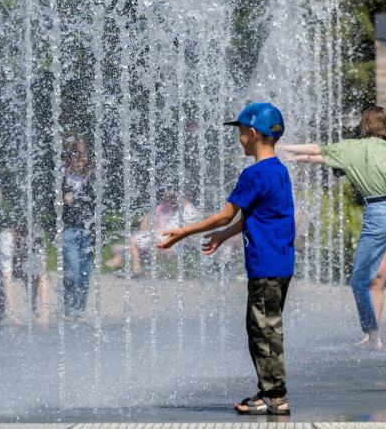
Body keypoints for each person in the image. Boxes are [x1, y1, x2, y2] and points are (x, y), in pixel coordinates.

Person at [157, 102, 294, 416]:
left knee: (263, 331)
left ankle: (273, 396)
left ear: (253, 133)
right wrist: (225, 235)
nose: (239, 139)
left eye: (241, 132)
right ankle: (272, 392)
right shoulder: (279, 171)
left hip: (264, 265)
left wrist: (183, 232)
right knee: (266, 328)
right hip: (281, 264)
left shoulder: (254, 173)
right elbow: (259, 215)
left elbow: (224, 214)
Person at [279, 105, 386, 351]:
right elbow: (318, 156)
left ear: (366, 125)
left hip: (379, 214)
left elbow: (317, 150)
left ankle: (372, 335)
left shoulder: (355, 147)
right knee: (378, 278)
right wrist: (296, 158)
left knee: (360, 280)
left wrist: (283, 147)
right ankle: (373, 333)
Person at [107, 192, 200, 277]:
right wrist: (151, 230)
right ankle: (136, 269)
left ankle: (148, 270)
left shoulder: (182, 210)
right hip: (155, 235)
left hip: (167, 238)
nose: (168, 200)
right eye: (166, 197)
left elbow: (189, 226)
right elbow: (143, 224)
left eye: (171, 198)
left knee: (153, 241)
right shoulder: (159, 208)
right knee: (133, 239)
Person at [0, 222, 51, 327]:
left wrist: (45, 315)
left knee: (34, 275)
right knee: (1, 286)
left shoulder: (37, 243)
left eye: (35, 238)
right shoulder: (7, 238)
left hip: (17, 265)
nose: (32, 241)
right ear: (20, 234)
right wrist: (12, 315)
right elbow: (7, 276)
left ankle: (34, 313)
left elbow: (42, 276)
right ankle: (2, 314)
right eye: (29, 237)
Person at [61, 140, 95, 318]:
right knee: (72, 270)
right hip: (68, 229)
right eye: (77, 159)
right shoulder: (62, 176)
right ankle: (68, 304)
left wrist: (99, 234)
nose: (81, 163)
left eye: (84, 160)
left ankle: (79, 308)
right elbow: (51, 203)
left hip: (88, 231)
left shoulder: (92, 178)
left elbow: (98, 206)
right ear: (71, 158)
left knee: (84, 273)